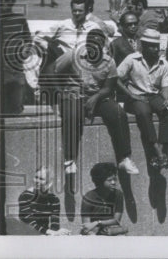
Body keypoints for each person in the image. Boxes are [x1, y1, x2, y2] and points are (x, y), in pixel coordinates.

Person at [45, 25, 138, 177]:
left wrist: (95, 98)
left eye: (97, 45)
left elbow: (109, 87)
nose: (93, 48)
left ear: (103, 46)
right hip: (74, 94)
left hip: (98, 95)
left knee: (119, 113)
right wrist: (61, 93)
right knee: (72, 115)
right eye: (89, 45)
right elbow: (51, 71)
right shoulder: (74, 55)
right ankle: (69, 159)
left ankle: (124, 158)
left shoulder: (109, 62)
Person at [115, 28, 168, 170]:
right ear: (143, 45)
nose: (155, 50)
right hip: (136, 97)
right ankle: (157, 150)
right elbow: (115, 77)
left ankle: (160, 149)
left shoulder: (163, 63)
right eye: (151, 46)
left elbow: (166, 86)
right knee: (144, 113)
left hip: (154, 96)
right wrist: (130, 94)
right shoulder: (132, 59)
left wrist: (166, 98)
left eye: (157, 46)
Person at [17, 167, 69, 235]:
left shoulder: (54, 199)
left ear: (49, 182)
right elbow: (28, 221)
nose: (37, 181)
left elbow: (55, 224)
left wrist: (57, 233)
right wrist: (51, 232)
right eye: (36, 177)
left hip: (44, 235)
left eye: (41, 179)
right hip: (26, 235)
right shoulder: (25, 196)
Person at [80, 162, 126, 236]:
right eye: (109, 180)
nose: (113, 182)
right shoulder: (89, 197)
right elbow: (86, 226)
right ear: (100, 181)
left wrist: (97, 222)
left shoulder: (118, 194)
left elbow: (117, 220)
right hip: (93, 231)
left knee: (122, 234)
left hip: (110, 229)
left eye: (114, 179)